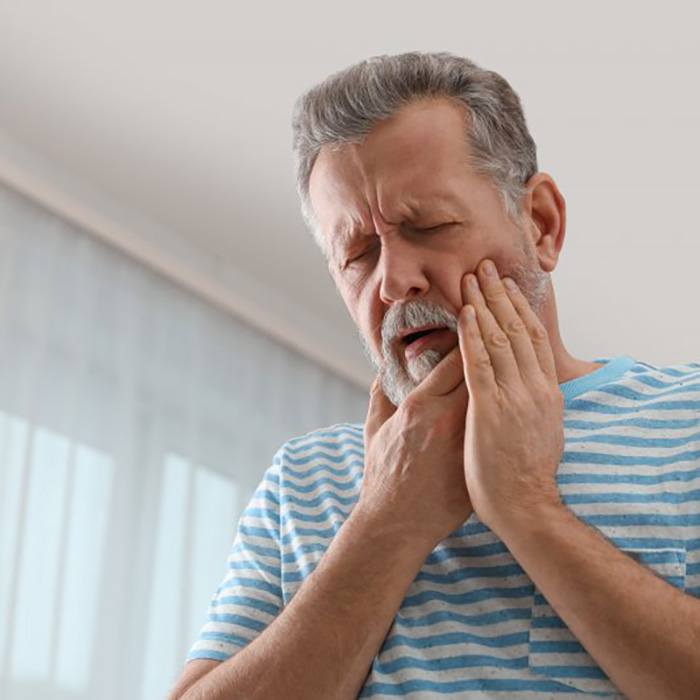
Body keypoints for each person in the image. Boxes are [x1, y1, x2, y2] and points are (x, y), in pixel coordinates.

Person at [168, 52, 700, 699]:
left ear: (542, 225)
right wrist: (387, 521)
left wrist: (526, 507)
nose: (393, 282)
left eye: (428, 226)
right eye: (358, 255)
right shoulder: (301, 480)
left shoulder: (689, 417)